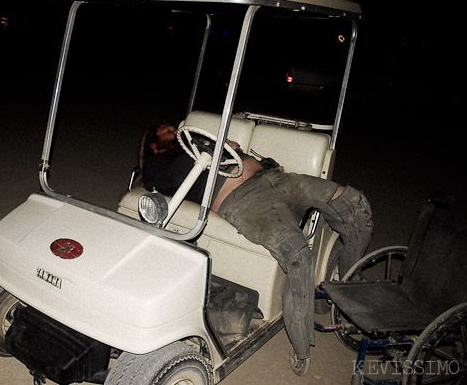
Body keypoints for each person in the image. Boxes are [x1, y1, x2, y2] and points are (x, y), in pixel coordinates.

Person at [140, 121, 374, 376]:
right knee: (298, 255)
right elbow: (168, 178)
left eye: (172, 127)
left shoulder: (198, 143)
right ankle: (301, 344)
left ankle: (349, 278)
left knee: (354, 203)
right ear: (153, 144)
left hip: (277, 178)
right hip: (245, 199)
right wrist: (214, 152)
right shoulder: (159, 162)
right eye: (165, 130)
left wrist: (224, 148)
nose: (172, 130)